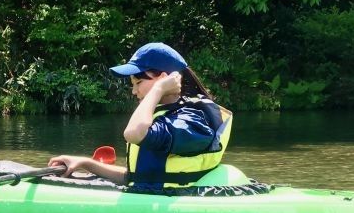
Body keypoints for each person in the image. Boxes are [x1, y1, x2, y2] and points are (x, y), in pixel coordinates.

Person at [49, 42, 232, 193]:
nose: (134, 91)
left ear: (163, 78)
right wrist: (85, 163)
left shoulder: (191, 120)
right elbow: (135, 176)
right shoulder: (159, 116)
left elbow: (133, 134)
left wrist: (159, 88)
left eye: (138, 82)